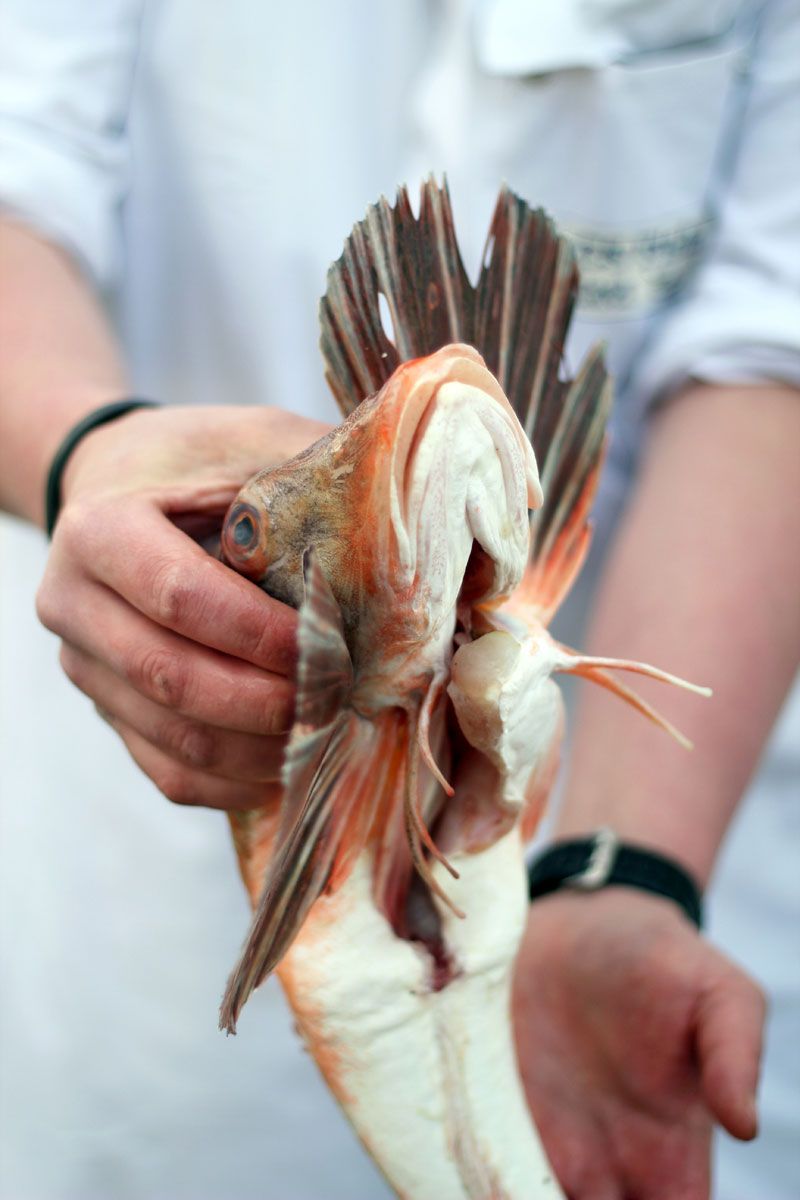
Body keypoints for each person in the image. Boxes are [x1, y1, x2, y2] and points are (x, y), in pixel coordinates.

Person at [1, 2, 798, 1198]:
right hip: (146, 957)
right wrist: (88, 448)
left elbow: (767, 347)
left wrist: (620, 875)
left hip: (662, 829)